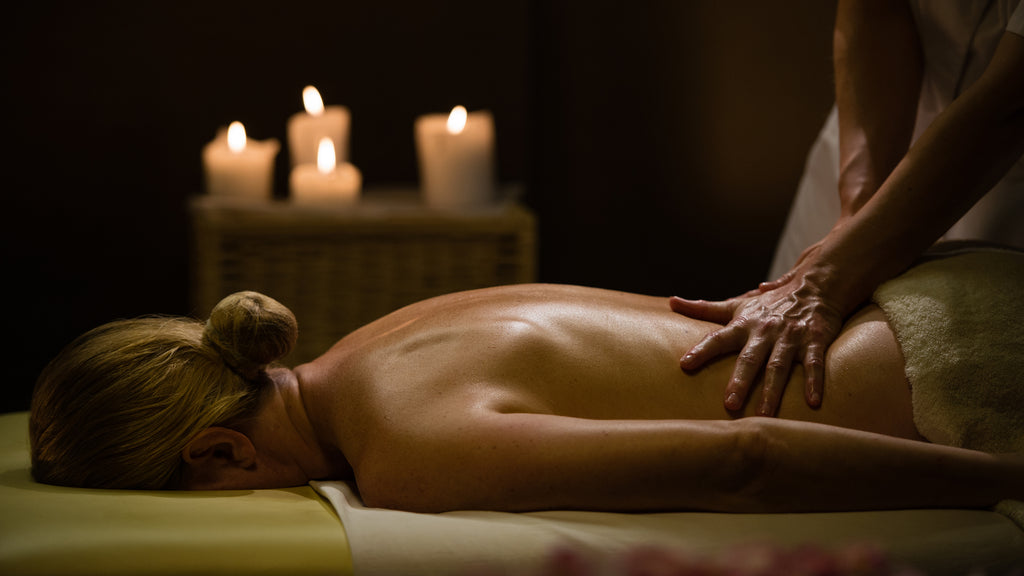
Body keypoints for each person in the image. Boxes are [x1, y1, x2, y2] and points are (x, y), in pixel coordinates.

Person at [29, 248, 1024, 514]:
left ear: (216, 451)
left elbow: (743, 462)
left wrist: (1002, 484)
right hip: (940, 290)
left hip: (956, 377)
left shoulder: (405, 451)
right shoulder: (382, 342)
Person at [672, 0, 1024, 417]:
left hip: (1009, 179)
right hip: (874, 126)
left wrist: (827, 279)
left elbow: (1009, 105)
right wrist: (853, 219)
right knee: (770, 362)